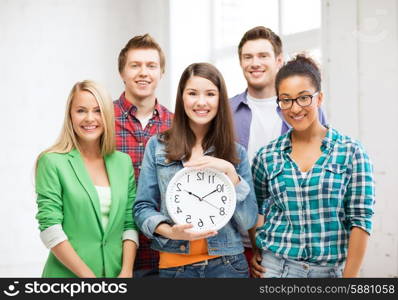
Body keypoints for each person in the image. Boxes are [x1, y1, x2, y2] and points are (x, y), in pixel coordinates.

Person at [250, 54, 375, 278]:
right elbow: (254, 207)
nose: (295, 108)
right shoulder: (267, 155)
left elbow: (360, 221)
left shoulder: (351, 152)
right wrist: (257, 247)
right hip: (275, 268)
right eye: (285, 99)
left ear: (319, 98)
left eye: (303, 98)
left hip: (329, 272)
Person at [133, 63, 258, 278]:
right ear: (182, 98)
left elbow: (248, 221)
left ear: (220, 99)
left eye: (210, 94)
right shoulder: (158, 146)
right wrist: (170, 231)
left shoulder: (235, 152)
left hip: (227, 266)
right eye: (192, 93)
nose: (201, 102)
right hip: (174, 267)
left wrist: (231, 174)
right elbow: (142, 208)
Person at [230, 26, 328, 275]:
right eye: (248, 57)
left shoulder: (303, 110)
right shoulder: (226, 112)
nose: (255, 63)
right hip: (234, 243)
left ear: (279, 60)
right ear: (240, 62)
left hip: (293, 244)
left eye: (263, 55)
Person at [35, 80, 138, 277]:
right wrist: (89, 278)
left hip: (116, 275)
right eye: (81, 110)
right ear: (70, 116)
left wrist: (126, 270)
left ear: (107, 115)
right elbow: (50, 228)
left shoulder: (123, 163)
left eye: (98, 110)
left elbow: (129, 223)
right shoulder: (52, 161)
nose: (90, 118)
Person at [114, 34, 173, 277]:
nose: (143, 73)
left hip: (165, 254)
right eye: (135, 65)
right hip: (113, 253)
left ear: (161, 73)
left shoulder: (177, 126)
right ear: (122, 72)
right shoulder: (101, 121)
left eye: (151, 66)